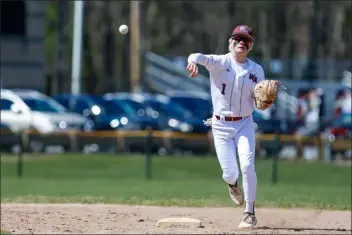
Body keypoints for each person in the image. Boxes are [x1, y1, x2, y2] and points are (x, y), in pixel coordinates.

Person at [186, 25, 271, 229]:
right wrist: (191, 61)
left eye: (246, 40)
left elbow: (260, 99)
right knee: (230, 173)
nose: (242, 42)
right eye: (238, 39)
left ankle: (249, 213)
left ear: (251, 46)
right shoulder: (219, 62)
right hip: (221, 126)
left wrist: (266, 101)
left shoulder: (256, 70)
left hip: (244, 123)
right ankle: (232, 186)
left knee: (248, 165)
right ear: (230, 42)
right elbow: (195, 55)